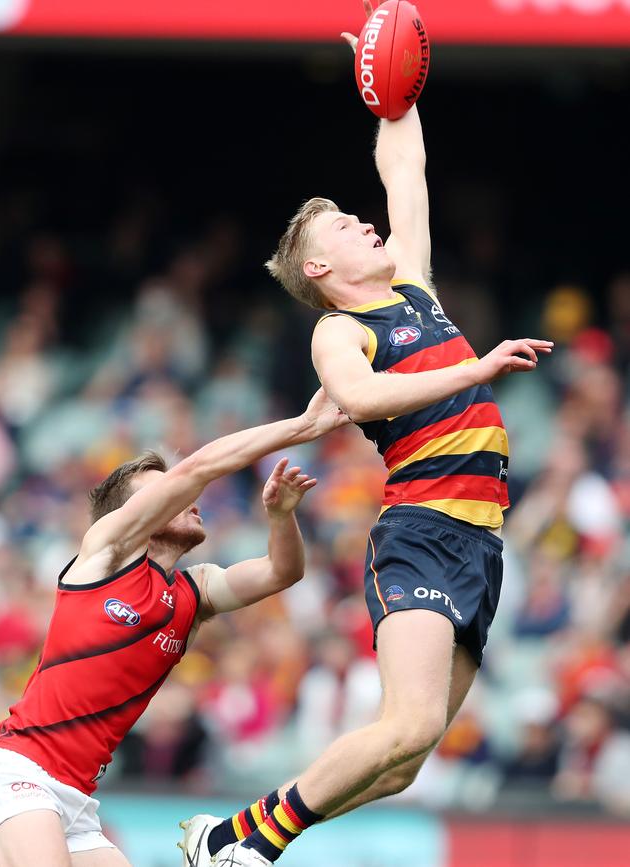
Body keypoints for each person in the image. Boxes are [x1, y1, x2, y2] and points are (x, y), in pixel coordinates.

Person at [180, 3, 553, 865]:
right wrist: (479, 368)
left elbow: (405, 170)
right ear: (320, 270)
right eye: (343, 226)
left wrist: (391, 94)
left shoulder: (412, 290)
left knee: (406, 761)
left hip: (479, 542)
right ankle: (239, 842)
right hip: (421, 532)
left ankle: (232, 836)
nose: (365, 222)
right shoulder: (338, 332)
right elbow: (363, 396)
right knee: (410, 721)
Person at [0, 389, 348, 867]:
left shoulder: (194, 593)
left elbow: (282, 572)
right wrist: (302, 426)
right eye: (165, 490)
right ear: (135, 515)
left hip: (76, 799)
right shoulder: (104, 554)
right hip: (18, 772)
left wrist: (281, 517)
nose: (189, 496)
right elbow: (199, 469)